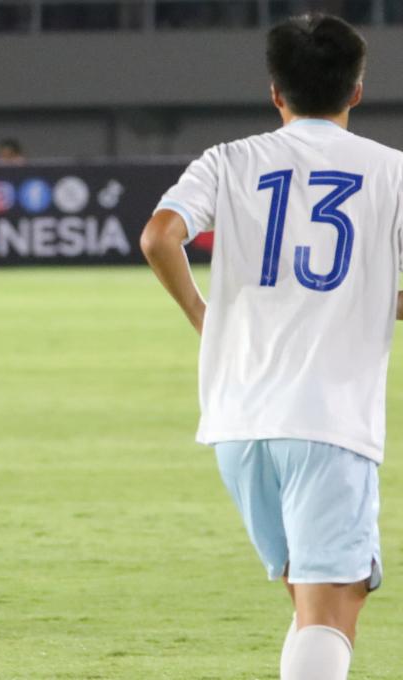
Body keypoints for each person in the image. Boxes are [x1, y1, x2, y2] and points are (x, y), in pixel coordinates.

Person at [141, 14, 393, 680]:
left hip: (237, 421)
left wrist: (204, 315)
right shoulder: (391, 173)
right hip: (329, 421)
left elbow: (159, 236)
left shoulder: (228, 160)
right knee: (332, 610)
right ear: (358, 90)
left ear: (275, 92)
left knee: (309, 604)